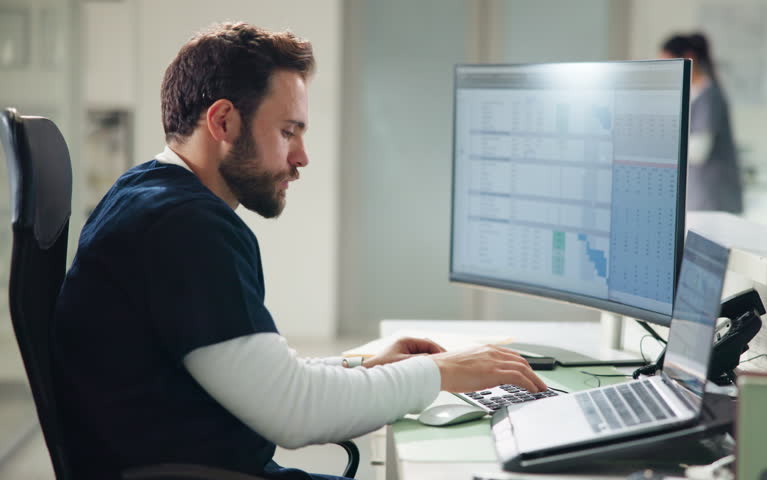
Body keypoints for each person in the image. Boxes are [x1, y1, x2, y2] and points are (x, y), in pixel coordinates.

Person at [53, 22, 547, 480]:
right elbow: (294, 413)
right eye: (288, 131)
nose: (301, 156)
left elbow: (262, 377)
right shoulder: (184, 226)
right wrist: (438, 373)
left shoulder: (146, 192)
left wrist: (368, 369)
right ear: (223, 121)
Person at [661, 32, 743, 214]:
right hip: (698, 193)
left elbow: (698, 151)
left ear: (688, 58)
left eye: (669, 63)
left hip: (713, 196)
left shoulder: (709, 96)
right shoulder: (688, 95)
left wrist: (661, 143)